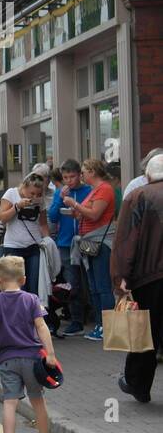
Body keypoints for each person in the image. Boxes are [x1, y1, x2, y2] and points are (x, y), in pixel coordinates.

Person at [0, 256, 59, 433]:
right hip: (32, 359)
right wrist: (50, 354)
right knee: (38, 401)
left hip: (8, 359)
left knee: (10, 402)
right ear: (23, 279)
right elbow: (42, 327)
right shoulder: (32, 299)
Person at [112, 153, 163, 402]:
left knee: (144, 334)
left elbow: (125, 241)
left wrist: (120, 277)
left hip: (149, 279)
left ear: (148, 175)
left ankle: (138, 385)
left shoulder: (138, 196)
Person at [64, 158, 116, 341]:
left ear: (93, 171)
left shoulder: (104, 189)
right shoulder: (95, 190)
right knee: (93, 286)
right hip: (89, 241)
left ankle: (108, 327)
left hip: (100, 242)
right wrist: (77, 213)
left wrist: (75, 205)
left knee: (102, 286)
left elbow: (95, 214)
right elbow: (86, 215)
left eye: (85, 170)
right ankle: (100, 324)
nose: (82, 174)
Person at [49, 160, 91, 336]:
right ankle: (76, 319)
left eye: (72, 176)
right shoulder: (60, 192)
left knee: (89, 280)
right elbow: (52, 216)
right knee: (71, 282)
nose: (69, 181)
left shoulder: (88, 191)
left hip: (86, 239)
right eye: (65, 177)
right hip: (66, 243)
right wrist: (60, 199)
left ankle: (94, 316)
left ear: (79, 175)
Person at [0, 173, 50, 298]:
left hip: (33, 246)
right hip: (14, 246)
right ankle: (19, 315)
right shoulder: (11, 193)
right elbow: (2, 218)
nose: (34, 197)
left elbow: (43, 224)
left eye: (38, 194)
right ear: (24, 186)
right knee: (17, 286)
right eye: (32, 193)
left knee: (34, 286)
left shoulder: (40, 201)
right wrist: (17, 207)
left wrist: (48, 241)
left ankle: (32, 315)